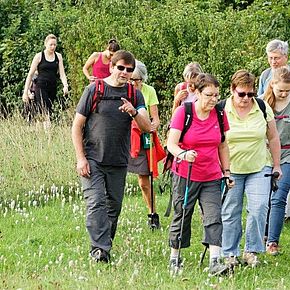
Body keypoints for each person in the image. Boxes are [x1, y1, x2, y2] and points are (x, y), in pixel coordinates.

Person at [71, 50, 151, 263]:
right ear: (111, 67)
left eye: (129, 70)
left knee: (113, 207)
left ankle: (103, 246)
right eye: (121, 68)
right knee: (96, 203)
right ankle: (100, 250)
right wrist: (81, 158)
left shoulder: (135, 95)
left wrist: (134, 112)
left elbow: (148, 127)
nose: (124, 72)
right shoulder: (94, 90)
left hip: (118, 160)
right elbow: (77, 126)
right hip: (93, 158)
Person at [167, 73, 233, 275]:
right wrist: (183, 153)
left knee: (214, 217)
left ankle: (215, 261)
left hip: (212, 175)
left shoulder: (220, 114)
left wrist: (227, 172)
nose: (213, 99)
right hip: (186, 174)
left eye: (216, 95)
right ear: (196, 93)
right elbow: (171, 144)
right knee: (182, 214)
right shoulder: (183, 112)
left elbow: (223, 146)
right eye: (209, 95)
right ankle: (175, 258)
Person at [221, 70, 282, 267]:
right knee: (231, 210)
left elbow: (273, 137)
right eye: (241, 94)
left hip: (259, 166)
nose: (246, 98)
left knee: (259, 208)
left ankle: (251, 250)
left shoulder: (262, 107)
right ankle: (230, 252)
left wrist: (277, 165)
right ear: (232, 90)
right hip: (231, 168)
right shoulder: (222, 109)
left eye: (250, 94)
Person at [127, 60, 165, 229]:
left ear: (142, 79)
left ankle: (152, 212)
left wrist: (150, 128)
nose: (133, 83)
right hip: (126, 137)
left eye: (136, 79)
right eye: (131, 79)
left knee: (144, 181)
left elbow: (156, 119)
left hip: (143, 137)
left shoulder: (149, 91)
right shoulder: (124, 91)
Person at [263, 67, 290, 255]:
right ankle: (263, 235)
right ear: (272, 85)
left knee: (279, 196)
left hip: (288, 155)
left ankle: (272, 242)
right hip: (265, 155)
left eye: (288, 91)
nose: (284, 93)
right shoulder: (263, 104)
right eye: (280, 90)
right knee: (263, 199)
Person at [22, 34, 68, 122]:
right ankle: (48, 133)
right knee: (45, 109)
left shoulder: (58, 56)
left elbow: (62, 73)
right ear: (45, 44)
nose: (53, 47)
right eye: (51, 44)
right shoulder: (39, 56)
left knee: (49, 110)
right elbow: (30, 74)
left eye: (54, 45)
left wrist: (65, 85)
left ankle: (42, 129)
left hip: (52, 87)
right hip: (41, 86)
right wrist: (25, 92)